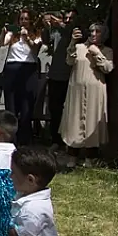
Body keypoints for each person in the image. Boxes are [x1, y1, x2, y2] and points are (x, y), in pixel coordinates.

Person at [61, 23, 113, 169]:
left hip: (95, 91)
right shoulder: (79, 48)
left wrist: (96, 53)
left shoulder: (107, 50)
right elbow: (69, 61)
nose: (94, 34)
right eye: (91, 31)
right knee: (74, 120)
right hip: (76, 90)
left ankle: (91, 157)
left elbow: (108, 68)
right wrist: (72, 43)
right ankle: (72, 156)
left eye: (98, 31)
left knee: (92, 120)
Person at [0, 10, 44, 145]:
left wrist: (27, 39)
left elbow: (35, 50)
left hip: (28, 70)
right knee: (11, 106)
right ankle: (11, 139)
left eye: (26, 19)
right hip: (12, 69)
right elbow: (1, 43)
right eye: (21, 19)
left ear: (30, 21)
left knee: (26, 107)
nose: (23, 21)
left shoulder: (36, 34)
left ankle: (25, 139)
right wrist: (3, 32)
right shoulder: (12, 34)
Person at [42, 11, 76, 146]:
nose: (67, 21)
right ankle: (55, 140)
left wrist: (60, 23)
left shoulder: (75, 32)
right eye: (65, 18)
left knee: (70, 110)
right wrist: (46, 26)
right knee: (54, 109)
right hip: (55, 75)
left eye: (70, 18)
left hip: (71, 76)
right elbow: (45, 40)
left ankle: (69, 141)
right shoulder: (56, 31)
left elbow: (69, 32)